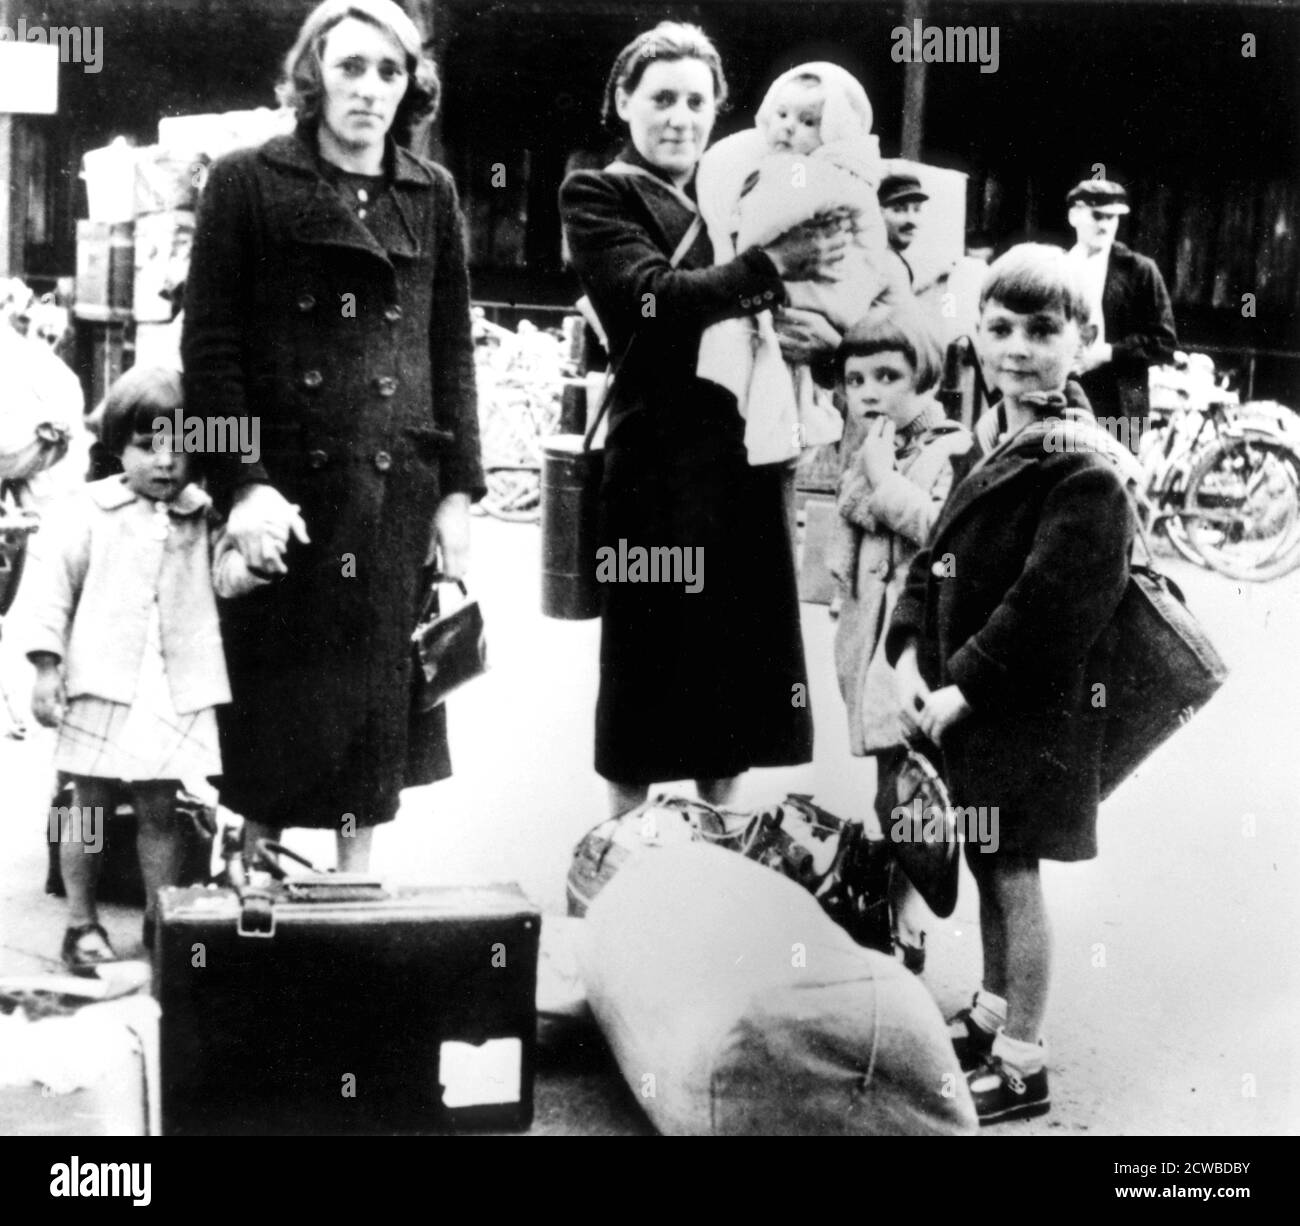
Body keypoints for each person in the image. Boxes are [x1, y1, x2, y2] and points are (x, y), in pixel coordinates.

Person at [181, 0, 484, 871]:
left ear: (411, 86)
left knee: (373, 717)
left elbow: (450, 349)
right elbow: (212, 347)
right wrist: (243, 482)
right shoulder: (246, 181)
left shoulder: (434, 193)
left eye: (390, 71)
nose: (369, 88)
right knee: (275, 714)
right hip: (285, 496)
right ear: (312, 76)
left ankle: (356, 900)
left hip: (394, 497)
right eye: (350, 67)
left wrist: (457, 494)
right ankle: (254, 883)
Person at [559, 22, 847, 818]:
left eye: (697, 100)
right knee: (642, 680)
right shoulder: (598, 195)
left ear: (721, 109)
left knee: (734, 689)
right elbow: (653, 303)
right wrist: (773, 268)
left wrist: (816, 337)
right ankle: (613, 875)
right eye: (661, 99)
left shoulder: (742, 190)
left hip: (746, 471)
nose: (680, 117)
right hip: (654, 473)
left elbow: (809, 307)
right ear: (623, 102)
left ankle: (719, 862)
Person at [885, 244, 1135, 1123]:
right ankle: (994, 1011)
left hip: (1031, 709)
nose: (1019, 348)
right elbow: (936, 550)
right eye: (1000, 328)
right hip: (969, 699)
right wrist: (910, 648)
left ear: (1085, 339)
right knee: (990, 852)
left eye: (1043, 330)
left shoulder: (1084, 461)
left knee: (1015, 868)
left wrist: (965, 687)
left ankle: (1023, 1059)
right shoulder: (993, 435)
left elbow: (1054, 604)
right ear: (976, 336)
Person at [18, 366, 263, 970]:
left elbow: (227, 581)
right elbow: (52, 593)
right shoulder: (88, 512)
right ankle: (81, 921)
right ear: (116, 448)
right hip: (100, 683)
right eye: (147, 445)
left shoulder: (204, 516)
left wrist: (257, 561)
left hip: (167, 690)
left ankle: (163, 918)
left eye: (182, 446)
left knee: (161, 809)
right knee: (90, 806)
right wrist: (47, 668)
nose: (165, 461)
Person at [827, 302, 971, 974]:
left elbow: (942, 530)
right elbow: (847, 511)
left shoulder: (952, 446)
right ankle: (893, 901)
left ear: (927, 375)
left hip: (914, 640)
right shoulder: (869, 447)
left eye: (888, 375)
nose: (871, 393)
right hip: (867, 634)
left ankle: (910, 916)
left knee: (914, 779)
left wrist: (883, 482)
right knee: (891, 775)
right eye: (857, 381)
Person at [694, 62, 892, 464]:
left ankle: (775, 438)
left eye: (807, 122)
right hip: (821, 311)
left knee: (750, 363)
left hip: (815, 302)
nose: (787, 128)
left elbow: (764, 224)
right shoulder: (843, 174)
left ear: (833, 134)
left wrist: (735, 222)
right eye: (782, 114)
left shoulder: (813, 172)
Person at [1064, 179, 1177, 450]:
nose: (1104, 225)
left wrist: (1107, 352)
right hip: (1065, 395)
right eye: (1097, 216)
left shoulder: (1140, 271)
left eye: (1112, 217)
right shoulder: (1058, 267)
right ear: (1074, 216)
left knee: (1115, 480)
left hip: (1118, 401)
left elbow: (1164, 342)